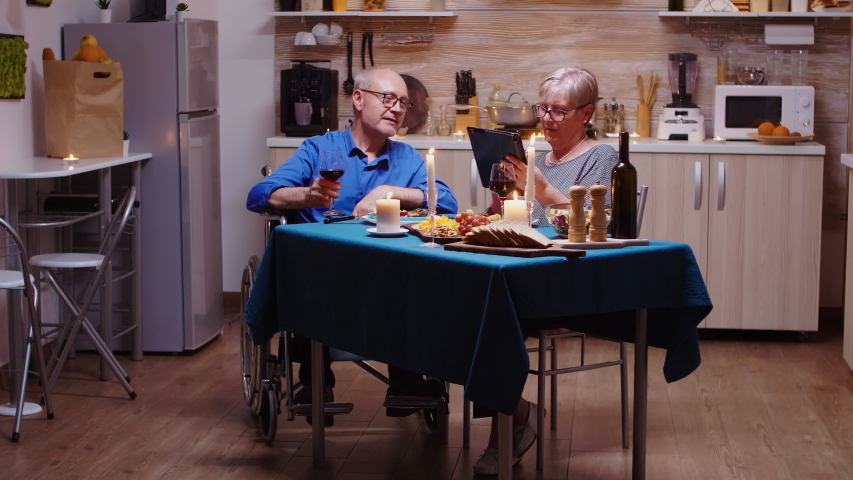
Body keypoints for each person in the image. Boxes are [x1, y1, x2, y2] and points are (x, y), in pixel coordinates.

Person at [247, 67, 458, 426]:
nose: (397, 109)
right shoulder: (318, 149)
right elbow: (259, 195)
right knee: (313, 273)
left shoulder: (406, 159)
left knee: (419, 276)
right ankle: (316, 380)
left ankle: (405, 381)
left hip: (386, 280)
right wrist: (307, 195)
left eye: (403, 103)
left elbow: (447, 203)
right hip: (324, 281)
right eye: (387, 98)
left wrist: (391, 192)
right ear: (358, 99)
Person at [473, 67, 618, 476]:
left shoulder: (601, 156)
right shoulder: (538, 157)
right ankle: (516, 409)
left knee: (493, 309)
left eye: (559, 110)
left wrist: (537, 185)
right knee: (466, 296)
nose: (547, 118)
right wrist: (500, 205)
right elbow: (515, 222)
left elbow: (592, 224)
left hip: (570, 279)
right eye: (543, 109)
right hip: (522, 270)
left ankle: (502, 435)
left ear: (585, 113)